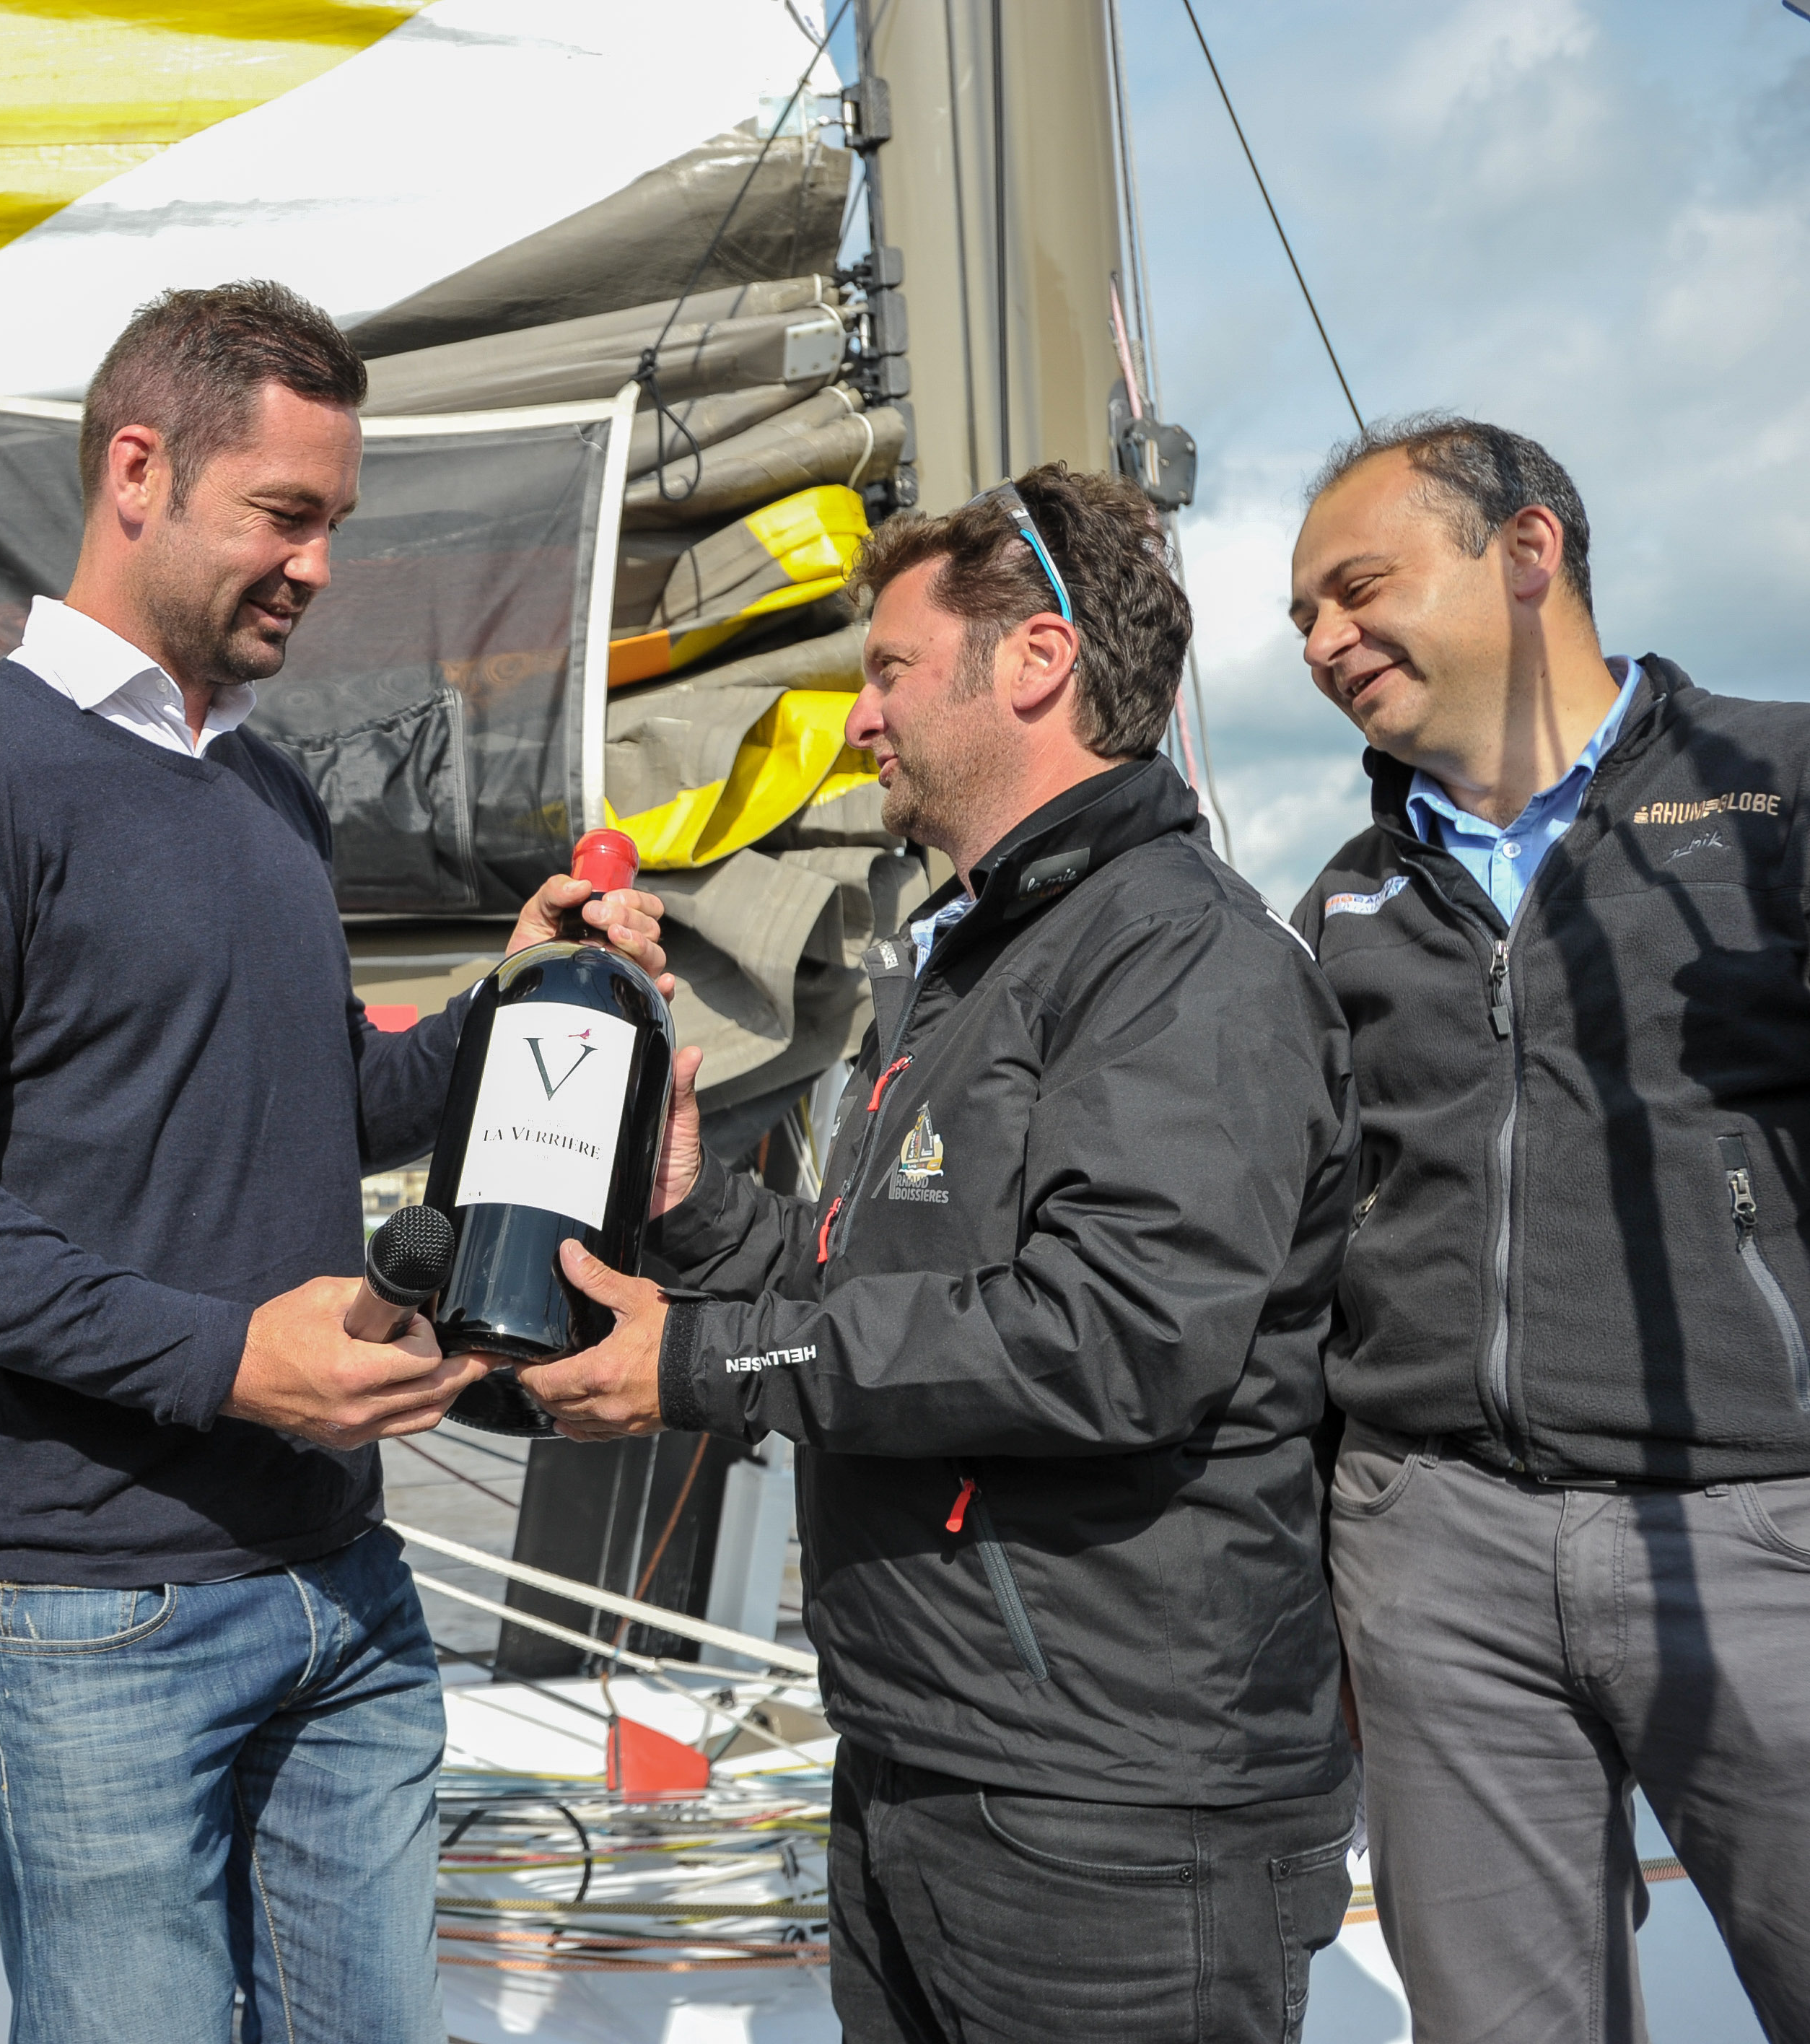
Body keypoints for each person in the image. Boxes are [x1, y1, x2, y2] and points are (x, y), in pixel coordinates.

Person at [0, 280, 669, 2044]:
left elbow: (325, 1098)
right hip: (93, 1613)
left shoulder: (265, 793)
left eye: (333, 522)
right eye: (284, 514)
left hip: (345, 1579)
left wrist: (517, 1001)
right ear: (138, 471)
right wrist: (226, 1362)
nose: (318, 565)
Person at [511, 464, 1361, 2043]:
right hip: (929, 1749)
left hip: (1110, 1806)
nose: (858, 721)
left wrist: (694, 1364)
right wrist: (696, 1209)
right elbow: (883, 1284)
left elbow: (1107, 1339)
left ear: (1035, 660)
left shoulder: (1182, 957)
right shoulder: (986, 958)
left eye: (890, 670)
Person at [1286, 416, 1810, 2043]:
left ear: (1528, 552)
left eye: (1356, 589)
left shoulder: (1779, 793)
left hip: (1762, 1533)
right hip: (1434, 1556)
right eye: (1300, 620)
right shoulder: (1341, 902)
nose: (1322, 643)